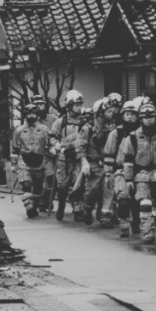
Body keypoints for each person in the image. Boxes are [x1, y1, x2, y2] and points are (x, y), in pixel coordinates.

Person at [119, 101, 156, 244]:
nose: (149, 119)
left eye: (151, 116)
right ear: (141, 119)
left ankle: (153, 220)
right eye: (145, 117)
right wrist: (128, 179)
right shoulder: (133, 137)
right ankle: (147, 232)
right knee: (145, 202)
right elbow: (127, 160)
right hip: (141, 175)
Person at [78, 95, 121, 228]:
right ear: (101, 112)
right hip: (94, 164)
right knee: (92, 191)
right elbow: (80, 146)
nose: (111, 113)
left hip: (109, 164)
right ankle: (87, 209)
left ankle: (105, 218)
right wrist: (84, 162)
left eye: (112, 111)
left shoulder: (115, 128)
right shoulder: (88, 127)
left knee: (109, 190)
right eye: (108, 111)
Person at [106, 99, 141, 237]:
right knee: (124, 198)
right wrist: (108, 173)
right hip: (120, 170)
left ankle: (137, 222)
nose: (131, 117)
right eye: (128, 114)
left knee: (138, 199)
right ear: (122, 115)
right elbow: (109, 153)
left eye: (133, 114)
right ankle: (124, 224)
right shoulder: (116, 133)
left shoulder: (141, 132)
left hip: (138, 170)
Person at [50, 90, 86, 222]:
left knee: (79, 184)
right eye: (76, 105)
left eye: (80, 104)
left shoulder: (84, 121)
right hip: (64, 159)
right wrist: (57, 145)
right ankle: (61, 206)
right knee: (62, 186)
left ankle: (78, 210)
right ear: (69, 106)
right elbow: (51, 137)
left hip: (77, 158)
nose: (79, 107)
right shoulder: (60, 122)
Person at [11, 103, 51, 218]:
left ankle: (36, 204)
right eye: (29, 113)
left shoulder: (44, 129)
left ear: (37, 115)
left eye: (33, 113)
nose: (31, 115)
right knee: (27, 184)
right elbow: (15, 148)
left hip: (39, 161)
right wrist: (13, 165)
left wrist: (53, 149)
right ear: (25, 114)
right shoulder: (19, 130)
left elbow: (49, 143)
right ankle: (29, 206)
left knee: (38, 188)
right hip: (24, 161)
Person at [32, 94, 58, 214]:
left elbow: (58, 133)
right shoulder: (30, 121)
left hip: (50, 155)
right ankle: (37, 202)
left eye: (41, 104)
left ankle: (47, 200)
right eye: (37, 105)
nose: (39, 107)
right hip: (36, 155)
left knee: (52, 179)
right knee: (37, 182)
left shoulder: (53, 118)